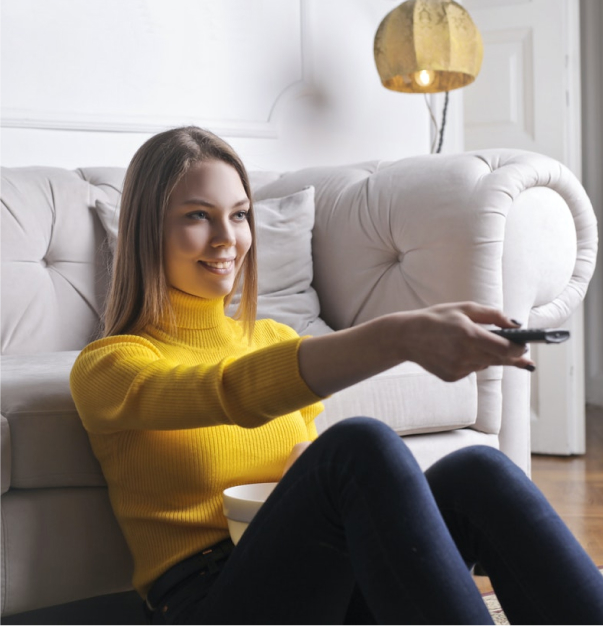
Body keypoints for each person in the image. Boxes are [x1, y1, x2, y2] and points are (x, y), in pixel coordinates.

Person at [70, 126, 603, 625]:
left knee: (477, 474)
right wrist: (398, 336)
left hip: (322, 590)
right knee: (358, 444)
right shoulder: (109, 367)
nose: (226, 238)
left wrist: (307, 476)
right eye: (197, 216)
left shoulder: (273, 341)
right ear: (147, 229)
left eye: (238, 215)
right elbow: (228, 392)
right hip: (212, 600)